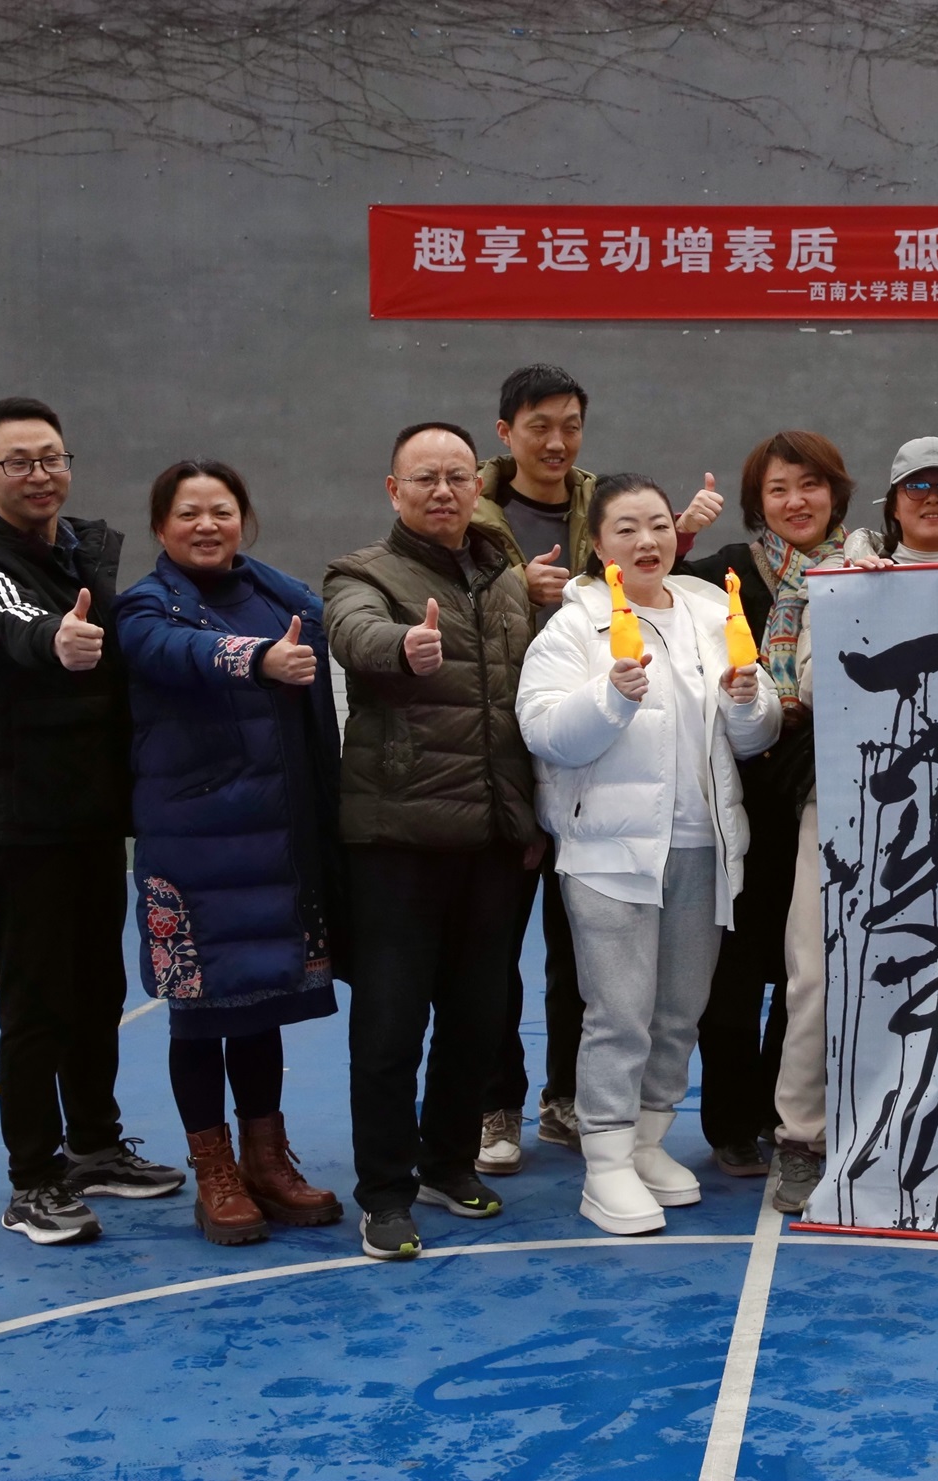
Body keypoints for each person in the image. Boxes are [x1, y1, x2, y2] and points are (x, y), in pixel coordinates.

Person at [0, 397, 184, 1245]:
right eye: (19, 461)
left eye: (51, 458)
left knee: (95, 988)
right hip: (25, 815)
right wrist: (54, 641)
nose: (39, 474)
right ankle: (32, 1179)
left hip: (91, 812)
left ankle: (96, 1147)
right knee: (36, 1001)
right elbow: (4, 616)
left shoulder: (76, 547)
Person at [470, 364, 724, 1172]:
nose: (558, 440)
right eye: (540, 425)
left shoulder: (618, 520)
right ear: (506, 432)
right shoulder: (475, 521)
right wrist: (522, 593)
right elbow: (541, 712)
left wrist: (747, 700)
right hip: (515, 778)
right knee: (511, 963)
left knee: (626, 985)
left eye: (571, 423)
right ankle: (506, 1107)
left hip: (655, 821)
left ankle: (590, 1112)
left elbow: (648, 571)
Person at [517, 476, 781, 1234]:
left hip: (704, 845)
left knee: (679, 1010)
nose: (647, 542)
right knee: (620, 1012)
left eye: (659, 525)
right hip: (611, 853)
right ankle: (605, 1162)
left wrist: (747, 702)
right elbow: (544, 732)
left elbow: (755, 735)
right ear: (599, 544)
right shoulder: (574, 626)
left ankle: (647, 1140)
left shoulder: (711, 610)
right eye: (627, 528)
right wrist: (611, 697)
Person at [325, 421, 546, 1260]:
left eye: (457, 475)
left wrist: (528, 818)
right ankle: (384, 1193)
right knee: (388, 1027)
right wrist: (402, 646)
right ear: (395, 490)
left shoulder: (508, 580)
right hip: (398, 839)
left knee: (477, 1019)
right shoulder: (361, 574)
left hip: (493, 839)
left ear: (476, 487)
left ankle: (447, 1162)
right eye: (425, 477)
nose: (444, 490)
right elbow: (354, 633)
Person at [117, 460, 347, 1245]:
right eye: (188, 512)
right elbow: (170, 650)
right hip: (191, 848)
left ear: (243, 518)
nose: (206, 524)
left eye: (221, 509)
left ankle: (266, 1158)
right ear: (160, 527)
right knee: (196, 1017)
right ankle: (213, 1169)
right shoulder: (145, 605)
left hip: (277, 843)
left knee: (260, 1004)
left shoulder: (283, 598)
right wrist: (254, 659)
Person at [679, 431, 854, 1210]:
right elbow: (628, 582)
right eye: (779, 488)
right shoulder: (725, 570)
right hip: (740, 794)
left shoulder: (863, 571)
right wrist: (679, 532)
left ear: (836, 493)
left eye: (810, 484)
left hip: (825, 793)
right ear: (758, 502)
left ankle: (790, 1118)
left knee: (805, 973)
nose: (796, 501)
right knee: (734, 967)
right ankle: (730, 1120)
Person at [842, 437, 938, 565]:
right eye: (916, 486)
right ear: (894, 506)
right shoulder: (851, 575)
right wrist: (854, 582)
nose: (933, 499)